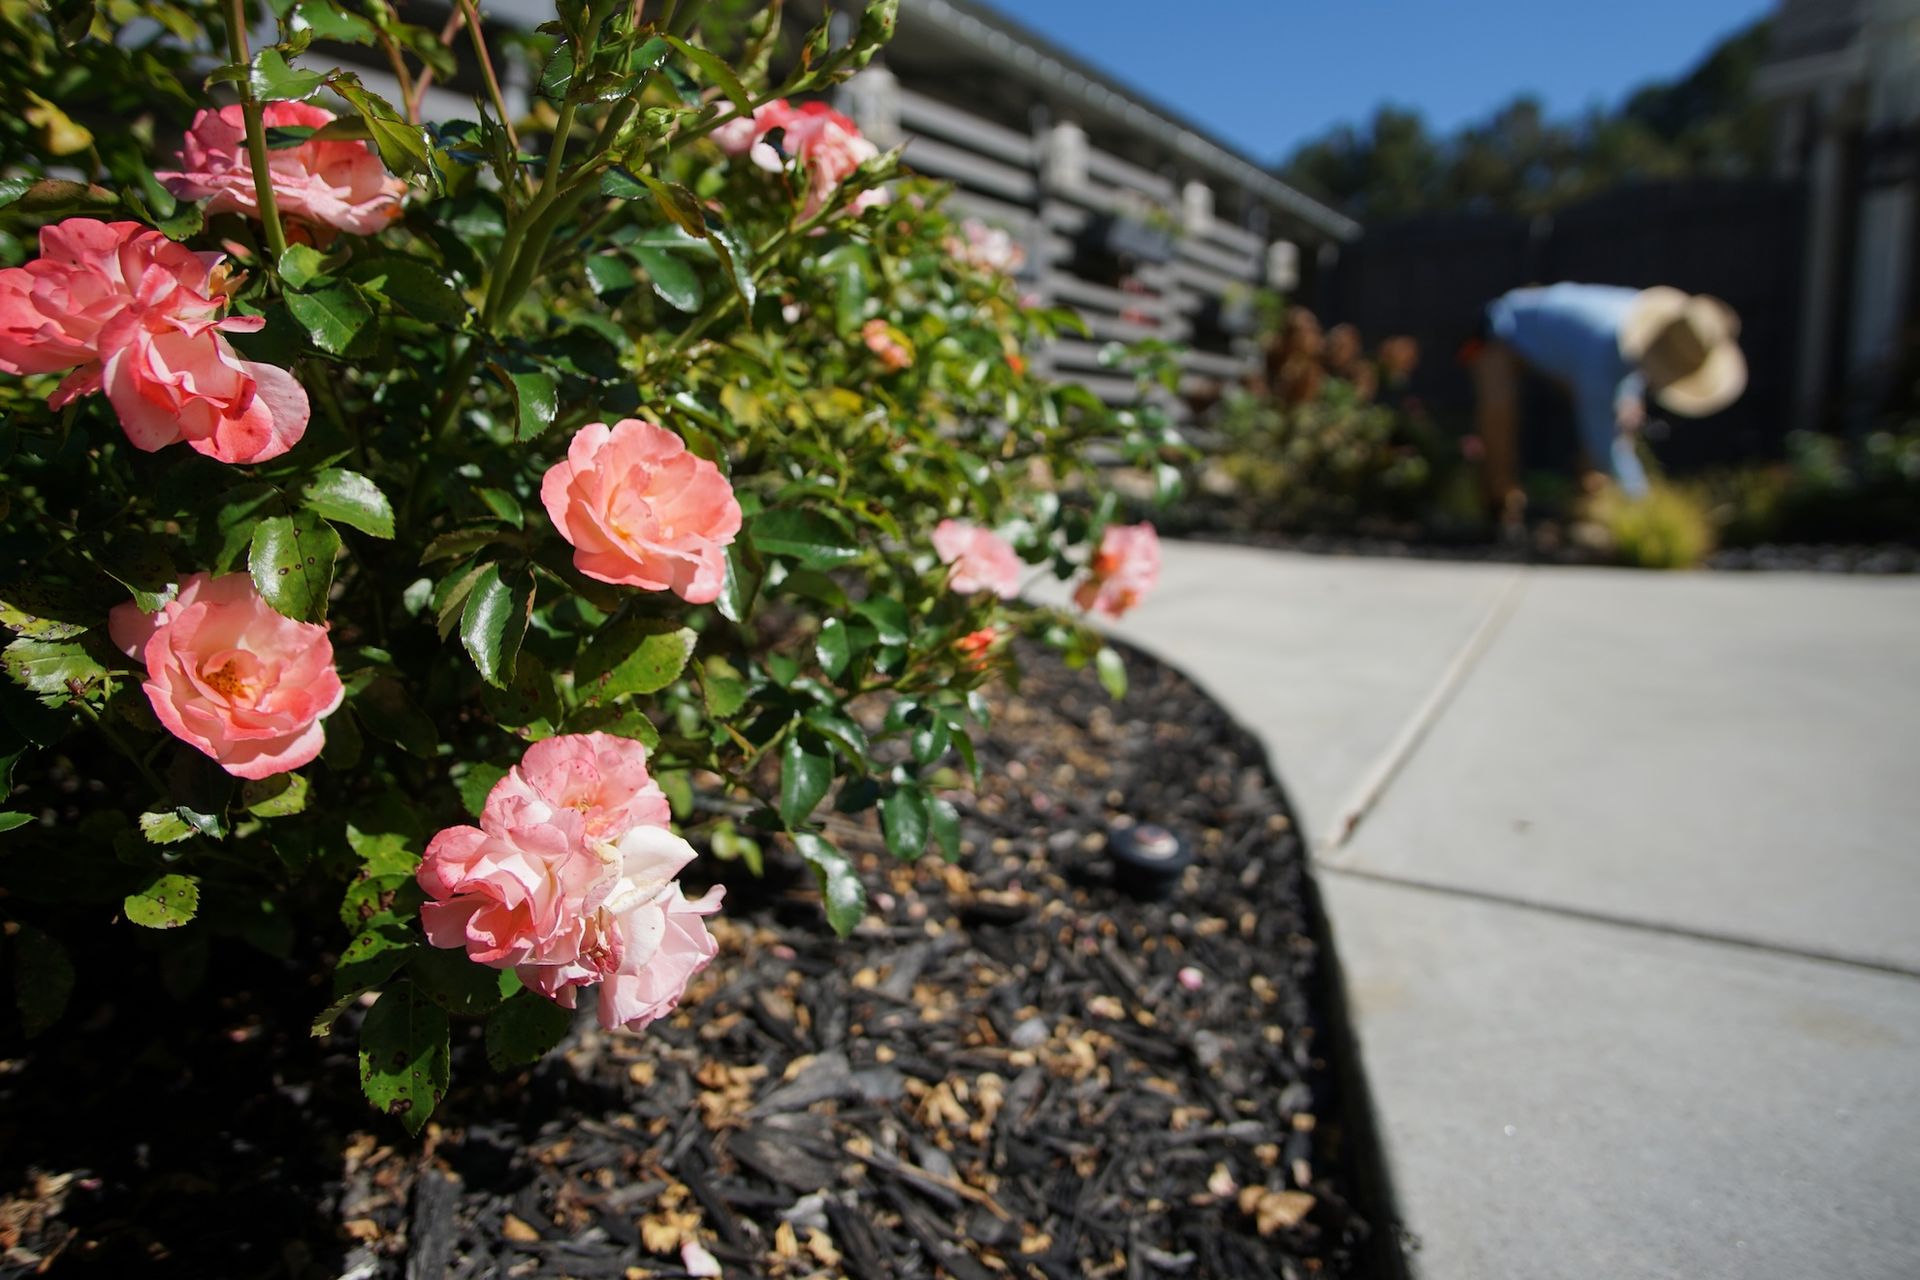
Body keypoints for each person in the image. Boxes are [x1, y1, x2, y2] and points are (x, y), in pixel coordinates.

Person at [1467, 283, 1747, 524]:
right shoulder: (1603, 350)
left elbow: (1631, 361)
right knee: (1499, 414)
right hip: (1504, 328)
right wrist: (1642, 502)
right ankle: (1500, 510)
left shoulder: (1644, 325)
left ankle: (1585, 508)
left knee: (1615, 418)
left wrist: (1628, 400)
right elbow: (1605, 441)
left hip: (1566, 345)